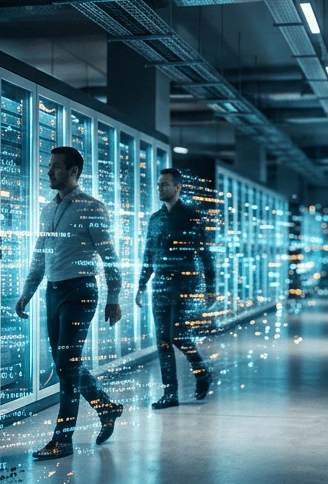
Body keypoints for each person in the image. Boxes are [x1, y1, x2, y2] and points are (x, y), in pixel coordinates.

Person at [16, 146, 125, 460]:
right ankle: (106, 407)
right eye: (49, 166)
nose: (49, 173)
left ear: (74, 171)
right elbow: (40, 255)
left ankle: (63, 440)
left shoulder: (92, 208)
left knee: (66, 364)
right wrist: (27, 292)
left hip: (80, 292)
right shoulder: (47, 210)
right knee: (68, 365)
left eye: (56, 167)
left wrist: (113, 298)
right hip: (54, 292)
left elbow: (110, 259)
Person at [136, 168, 217, 409]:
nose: (160, 188)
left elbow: (205, 254)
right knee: (162, 340)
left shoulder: (192, 216)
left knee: (178, 336)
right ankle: (170, 393)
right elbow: (149, 254)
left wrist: (210, 288)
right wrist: (141, 284)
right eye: (159, 184)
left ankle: (202, 372)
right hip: (160, 283)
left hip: (184, 283)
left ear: (178, 187)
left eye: (165, 184)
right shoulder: (155, 219)